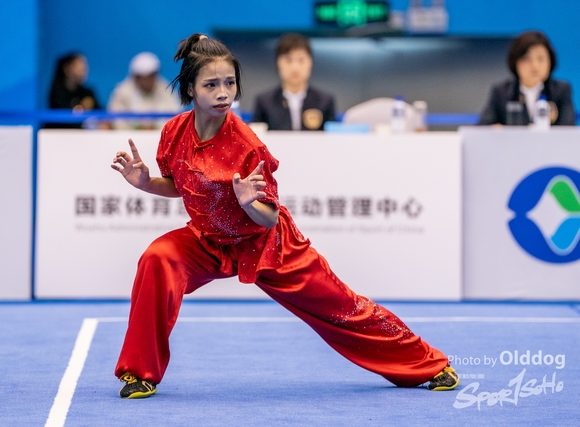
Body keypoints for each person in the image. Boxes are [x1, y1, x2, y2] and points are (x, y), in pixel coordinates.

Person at [111, 33, 459, 399]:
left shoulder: (247, 145)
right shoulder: (174, 132)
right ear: (190, 89)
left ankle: (429, 364)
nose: (223, 93)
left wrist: (248, 203)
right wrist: (146, 182)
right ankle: (140, 373)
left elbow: (269, 218)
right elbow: (180, 184)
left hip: (267, 244)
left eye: (229, 83)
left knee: (343, 307)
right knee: (158, 258)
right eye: (211, 85)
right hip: (208, 241)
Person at [479, 31, 575, 126]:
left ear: (550, 61)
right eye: (527, 59)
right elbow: (483, 128)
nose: (535, 65)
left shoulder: (561, 91)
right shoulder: (501, 93)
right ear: (515, 62)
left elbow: (568, 128)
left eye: (540, 58)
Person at [253, 33, 336, 131]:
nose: (295, 67)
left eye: (301, 60)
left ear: (310, 63)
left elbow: (333, 137)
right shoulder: (265, 102)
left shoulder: (325, 101)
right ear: (278, 63)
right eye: (288, 60)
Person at [108, 52, 181, 130]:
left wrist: (154, 129)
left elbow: (174, 118)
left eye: (151, 76)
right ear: (136, 77)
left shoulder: (167, 91)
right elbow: (118, 122)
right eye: (144, 77)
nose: (148, 81)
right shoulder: (122, 93)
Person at [45, 52, 106, 129]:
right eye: (79, 67)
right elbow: (63, 119)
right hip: (59, 133)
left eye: (84, 68)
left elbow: (100, 114)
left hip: (84, 134)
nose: (83, 72)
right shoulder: (57, 94)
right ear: (67, 69)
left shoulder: (88, 92)